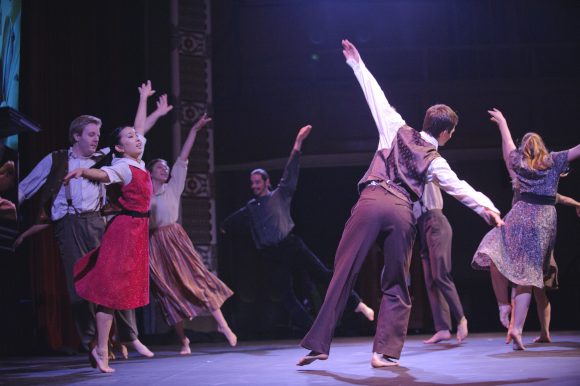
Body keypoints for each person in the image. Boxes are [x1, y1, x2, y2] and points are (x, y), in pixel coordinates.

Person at [297, 39, 503, 368]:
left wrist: (356, 64)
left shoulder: (396, 126)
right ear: (447, 133)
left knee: (343, 271)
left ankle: (319, 344)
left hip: (372, 198)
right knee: (396, 280)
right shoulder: (435, 160)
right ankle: (384, 352)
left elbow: (375, 97)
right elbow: (459, 188)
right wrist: (488, 209)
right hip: (401, 211)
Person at [17, 93, 171, 357]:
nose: (96, 138)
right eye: (91, 134)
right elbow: (25, 188)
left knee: (116, 281)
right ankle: (93, 342)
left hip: (100, 222)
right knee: (80, 286)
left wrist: (150, 106)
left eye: (98, 134)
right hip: (68, 225)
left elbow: (137, 133)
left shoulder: (107, 157)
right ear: (76, 136)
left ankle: (124, 337)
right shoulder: (56, 160)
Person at [220, 125, 375, 333]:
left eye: (258, 182)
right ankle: (313, 330)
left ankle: (357, 304)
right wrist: (223, 228)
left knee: (323, 274)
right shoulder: (250, 208)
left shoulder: (280, 194)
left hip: (291, 245)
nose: (254, 186)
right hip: (271, 255)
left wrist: (298, 143)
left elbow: (290, 171)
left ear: (267, 182)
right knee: (284, 295)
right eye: (252, 183)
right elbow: (233, 220)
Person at [64, 80, 155, 373]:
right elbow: (103, 175)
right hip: (124, 232)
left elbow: (139, 128)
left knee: (118, 294)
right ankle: (101, 349)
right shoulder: (121, 166)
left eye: (137, 137)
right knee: (111, 292)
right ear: (119, 147)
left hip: (137, 232)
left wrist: (143, 98)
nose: (138, 139)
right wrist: (82, 170)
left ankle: (105, 347)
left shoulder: (138, 162)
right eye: (130, 138)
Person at [472, 108, 580, 350]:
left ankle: (504, 306)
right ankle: (518, 328)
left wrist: (502, 122)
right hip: (543, 221)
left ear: (525, 149)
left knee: (493, 251)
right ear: (542, 147)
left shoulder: (519, 164)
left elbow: (508, 146)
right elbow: (577, 150)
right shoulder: (552, 161)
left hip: (520, 215)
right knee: (527, 276)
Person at [147, 113, 237, 354]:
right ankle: (183, 340)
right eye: (159, 167)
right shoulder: (144, 196)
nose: (165, 169)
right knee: (167, 292)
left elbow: (182, 158)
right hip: (154, 244)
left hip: (175, 239)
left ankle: (223, 326)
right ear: (150, 172)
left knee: (198, 279)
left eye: (166, 167)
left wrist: (195, 130)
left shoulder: (172, 187)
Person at [414, 180, 468, 344]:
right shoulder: (405, 182)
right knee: (430, 279)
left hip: (435, 221)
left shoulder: (426, 170)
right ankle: (443, 328)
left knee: (440, 275)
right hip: (421, 226)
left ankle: (461, 319)